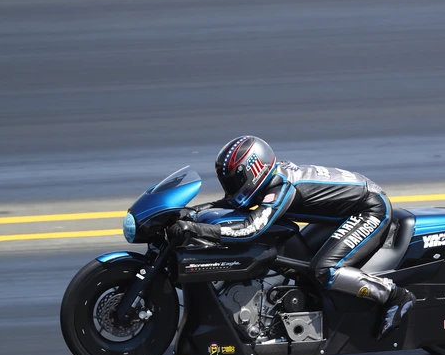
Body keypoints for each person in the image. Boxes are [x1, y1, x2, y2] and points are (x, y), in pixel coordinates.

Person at [168, 135, 415, 340]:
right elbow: (228, 203)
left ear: (251, 170)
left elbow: (250, 229)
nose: (230, 186)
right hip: (345, 210)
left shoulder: (282, 186)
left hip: (369, 209)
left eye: (234, 179)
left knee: (324, 270)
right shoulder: (267, 180)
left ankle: (394, 295)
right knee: (301, 264)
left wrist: (198, 230)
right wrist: (190, 212)